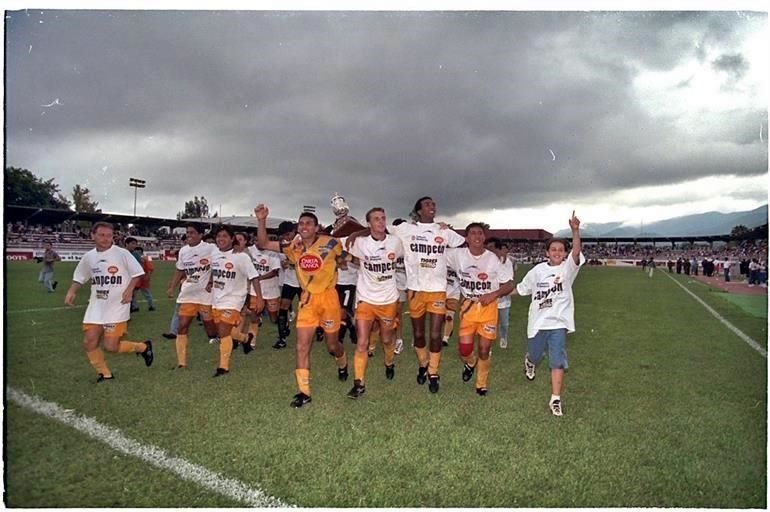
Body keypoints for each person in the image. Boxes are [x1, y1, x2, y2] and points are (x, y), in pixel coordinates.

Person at [348, 196, 465, 393]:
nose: (432, 206)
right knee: (418, 334)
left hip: (437, 289)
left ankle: (434, 373)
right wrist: (357, 233)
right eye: (427, 204)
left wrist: (494, 251)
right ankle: (423, 364)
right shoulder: (404, 229)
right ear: (418, 211)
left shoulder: (443, 231)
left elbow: (465, 243)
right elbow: (378, 230)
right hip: (415, 290)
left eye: (434, 204)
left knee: (436, 334)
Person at [256, 204, 349, 408]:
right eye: (301, 223)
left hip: (329, 299)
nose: (304, 226)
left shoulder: (331, 242)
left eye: (309, 223)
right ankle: (304, 392)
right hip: (307, 300)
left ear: (316, 227)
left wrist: (345, 262)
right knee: (301, 347)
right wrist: (261, 219)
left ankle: (342, 363)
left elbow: (344, 259)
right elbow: (263, 243)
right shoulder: (293, 247)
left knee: (332, 345)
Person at [512, 211, 584, 416]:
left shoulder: (568, 269)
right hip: (537, 323)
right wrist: (499, 294)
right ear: (546, 253)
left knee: (557, 361)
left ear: (564, 253)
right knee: (535, 354)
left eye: (561, 250)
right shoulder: (536, 271)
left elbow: (576, 254)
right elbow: (521, 289)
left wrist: (575, 231)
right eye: (553, 249)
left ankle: (555, 399)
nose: (557, 252)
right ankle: (530, 361)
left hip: (559, 324)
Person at [64, 222, 154, 381]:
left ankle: (143, 347)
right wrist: (72, 291)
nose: (106, 239)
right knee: (89, 342)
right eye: (101, 235)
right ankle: (105, 374)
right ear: (93, 236)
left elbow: (137, 273)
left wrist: (129, 289)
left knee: (111, 347)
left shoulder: (122, 254)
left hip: (117, 306)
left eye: (109, 235)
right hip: (96, 305)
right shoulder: (89, 257)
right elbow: (80, 277)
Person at [344, 207, 405, 399]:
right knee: (362, 342)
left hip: (388, 300)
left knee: (387, 339)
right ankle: (359, 383)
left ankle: (389, 362)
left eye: (383, 218)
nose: (380, 222)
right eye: (376, 219)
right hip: (366, 300)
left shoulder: (396, 242)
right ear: (369, 223)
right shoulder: (359, 243)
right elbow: (331, 242)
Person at [447, 223, 513, 396]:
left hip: (488, 309)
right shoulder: (456, 255)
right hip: (468, 307)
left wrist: (494, 294)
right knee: (464, 350)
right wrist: (441, 228)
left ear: (484, 237)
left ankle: (481, 383)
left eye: (480, 233)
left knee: (484, 349)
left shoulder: (493, 259)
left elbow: (509, 284)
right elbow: (435, 250)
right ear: (466, 238)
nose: (477, 236)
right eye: (473, 233)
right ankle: (470, 362)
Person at [207, 225, 262, 377]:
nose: (221, 239)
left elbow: (254, 277)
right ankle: (245, 338)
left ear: (232, 239)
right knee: (223, 331)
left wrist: (260, 298)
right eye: (218, 236)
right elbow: (214, 271)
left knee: (223, 332)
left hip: (235, 300)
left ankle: (223, 367)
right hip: (217, 299)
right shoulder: (214, 253)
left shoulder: (241, 256)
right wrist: (210, 282)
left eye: (225, 236)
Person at [166, 223, 219, 368]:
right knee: (182, 326)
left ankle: (218, 337)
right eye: (187, 232)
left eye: (192, 232)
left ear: (201, 235)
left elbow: (219, 265)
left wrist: (211, 280)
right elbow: (180, 270)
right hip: (188, 294)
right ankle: (181, 362)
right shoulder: (183, 251)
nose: (189, 235)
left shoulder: (210, 248)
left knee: (210, 326)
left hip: (205, 294)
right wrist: (172, 287)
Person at [274, 221, 300, 350]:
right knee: (283, 307)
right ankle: (282, 337)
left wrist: (293, 263)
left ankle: (317, 330)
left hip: (304, 283)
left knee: (308, 309)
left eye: (287, 234)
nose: (286, 237)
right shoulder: (282, 245)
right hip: (290, 281)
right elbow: (284, 262)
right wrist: (286, 264)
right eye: (284, 235)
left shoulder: (301, 241)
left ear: (293, 231)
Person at [486, 238, 515, 349]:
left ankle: (503, 337)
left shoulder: (507, 262)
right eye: (489, 248)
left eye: (492, 248)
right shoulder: (487, 260)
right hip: (490, 298)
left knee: (504, 323)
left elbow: (509, 280)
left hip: (503, 298)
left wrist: (501, 291)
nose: (490, 250)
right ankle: (488, 343)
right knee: (490, 323)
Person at [125, 237, 156, 312]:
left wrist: (143, 274)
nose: (134, 246)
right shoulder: (122, 252)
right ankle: (133, 307)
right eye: (133, 244)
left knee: (140, 292)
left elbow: (144, 264)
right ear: (126, 244)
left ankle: (149, 306)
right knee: (132, 293)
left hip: (137, 278)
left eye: (135, 244)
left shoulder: (136, 254)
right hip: (127, 277)